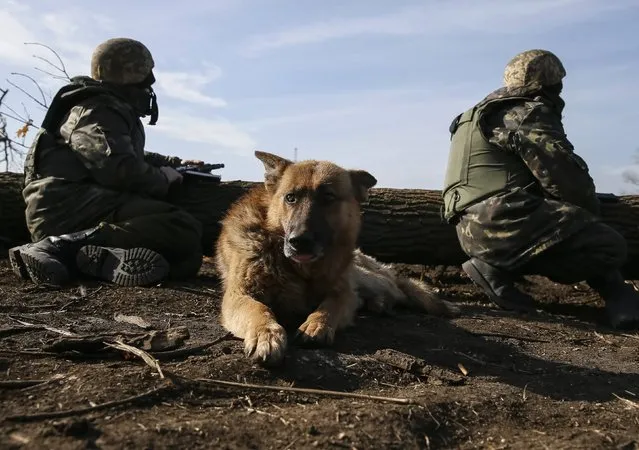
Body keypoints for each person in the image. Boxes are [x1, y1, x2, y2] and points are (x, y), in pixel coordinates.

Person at [442, 49, 639, 329]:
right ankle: (495, 269)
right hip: (507, 219)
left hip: (467, 226)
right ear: (552, 83)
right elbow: (564, 177)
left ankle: (495, 268)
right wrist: (588, 211)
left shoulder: (472, 117)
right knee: (609, 245)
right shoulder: (525, 113)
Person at [9, 37, 205, 287]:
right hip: (67, 209)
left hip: (81, 207)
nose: (150, 84)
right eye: (146, 75)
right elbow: (118, 168)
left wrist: (174, 163)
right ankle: (56, 247)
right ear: (132, 74)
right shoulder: (95, 110)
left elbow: (120, 153)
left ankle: (90, 259)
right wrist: (162, 179)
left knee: (186, 257)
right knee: (180, 226)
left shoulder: (105, 109)